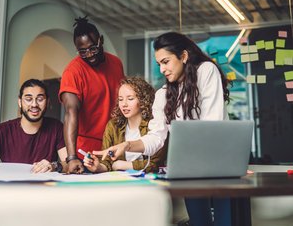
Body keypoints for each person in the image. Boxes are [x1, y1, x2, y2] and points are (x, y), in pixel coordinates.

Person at [94, 32, 232, 226]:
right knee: (200, 221)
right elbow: (156, 138)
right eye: (159, 64)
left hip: (219, 164)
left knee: (225, 221)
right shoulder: (163, 95)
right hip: (190, 168)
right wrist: (126, 145)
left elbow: (213, 122)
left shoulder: (206, 70)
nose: (162, 69)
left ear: (183, 56)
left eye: (166, 61)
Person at [0, 79, 67, 173]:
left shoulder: (56, 128)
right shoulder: (2, 130)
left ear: (47, 102)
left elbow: (68, 164)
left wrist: (53, 166)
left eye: (40, 99)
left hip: (44, 191)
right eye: (28, 99)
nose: (34, 104)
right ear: (20, 102)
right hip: (9, 191)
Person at [59, 16, 124, 174]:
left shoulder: (116, 63)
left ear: (101, 41)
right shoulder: (73, 72)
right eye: (83, 52)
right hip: (85, 155)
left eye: (93, 48)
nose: (89, 55)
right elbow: (70, 113)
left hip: (114, 149)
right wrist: (71, 157)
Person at [83, 76, 167, 173]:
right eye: (120, 99)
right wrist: (98, 167)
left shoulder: (155, 125)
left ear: (143, 100)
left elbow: (155, 164)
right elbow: (108, 162)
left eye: (130, 99)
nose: (124, 104)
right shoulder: (113, 126)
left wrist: (122, 165)